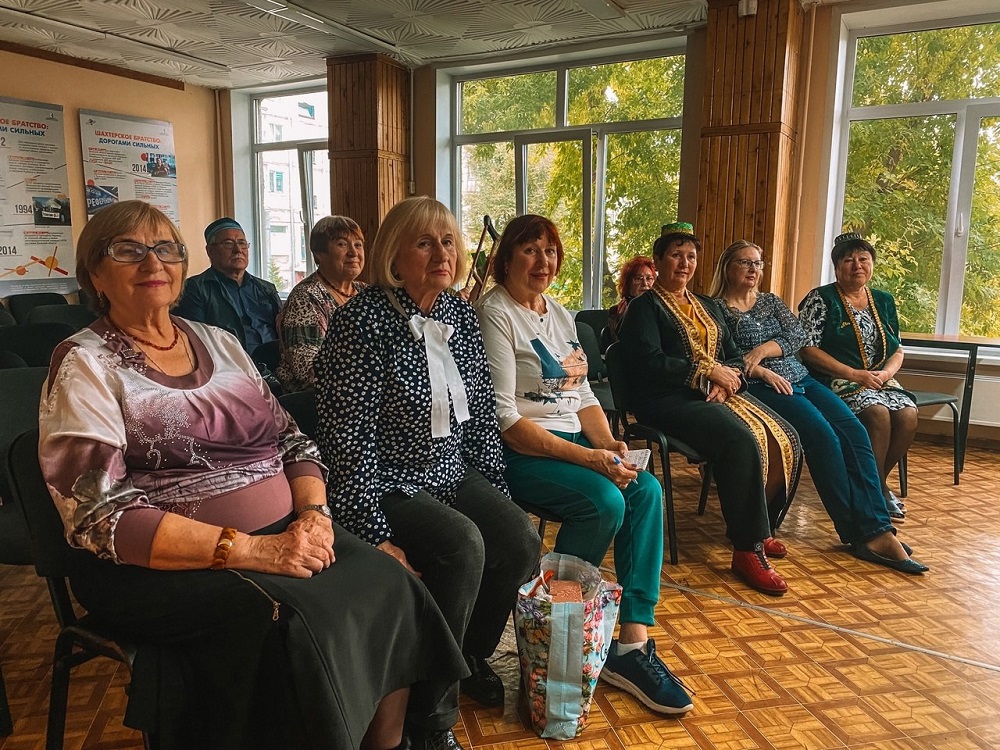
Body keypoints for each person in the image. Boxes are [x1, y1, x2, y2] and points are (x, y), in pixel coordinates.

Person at [39, 200, 466, 750]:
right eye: (128, 250)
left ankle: (388, 744)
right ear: (94, 273)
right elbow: (99, 515)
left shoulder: (219, 342)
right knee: (296, 626)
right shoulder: (84, 363)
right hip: (159, 560)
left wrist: (314, 514)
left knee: (392, 584)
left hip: (284, 528)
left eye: (166, 249)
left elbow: (293, 440)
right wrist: (250, 550)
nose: (152, 262)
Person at [314, 196, 539, 750]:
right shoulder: (361, 323)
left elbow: (479, 416)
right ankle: (430, 720)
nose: (443, 253)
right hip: (386, 480)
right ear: (394, 255)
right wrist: (373, 532)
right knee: (462, 546)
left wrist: (497, 492)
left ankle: (466, 660)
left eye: (448, 241)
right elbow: (346, 442)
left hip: (449, 470)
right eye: (424, 242)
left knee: (518, 538)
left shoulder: (458, 315)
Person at [475, 214, 693, 716]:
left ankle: (632, 643)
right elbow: (506, 420)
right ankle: (562, 627)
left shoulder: (558, 312)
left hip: (577, 441)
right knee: (602, 503)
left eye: (550, 251)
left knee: (646, 490)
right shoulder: (496, 312)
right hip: (526, 450)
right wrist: (592, 459)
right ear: (506, 259)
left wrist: (611, 445)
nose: (543, 261)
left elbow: (584, 394)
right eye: (530, 250)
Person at [710, 240, 927, 574]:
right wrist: (761, 369)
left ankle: (877, 527)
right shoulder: (715, 308)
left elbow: (797, 336)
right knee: (824, 438)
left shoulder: (770, 301)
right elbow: (722, 356)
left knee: (855, 433)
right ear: (727, 267)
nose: (754, 270)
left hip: (801, 378)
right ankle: (863, 533)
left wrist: (764, 350)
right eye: (745, 263)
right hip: (762, 386)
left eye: (758, 263)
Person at [617, 222, 803, 596]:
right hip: (666, 401)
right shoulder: (643, 308)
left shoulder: (707, 305)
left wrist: (725, 379)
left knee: (786, 437)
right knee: (740, 440)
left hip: (714, 393)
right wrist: (705, 373)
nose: (684, 263)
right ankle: (746, 549)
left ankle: (760, 525)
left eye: (691, 256)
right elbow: (649, 362)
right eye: (675, 255)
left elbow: (733, 355)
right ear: (658, 260)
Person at [798, 232, 917, 521]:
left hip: (879, 377)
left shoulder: (884, 300)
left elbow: (897, 349)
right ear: (836, 267)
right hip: (835, 378)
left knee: (908, 414)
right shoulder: (820, 298)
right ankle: (875, 492)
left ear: (872, 264)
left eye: (863, 259)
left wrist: (886, 373)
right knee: (877, 413)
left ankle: (874, 484)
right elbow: (807, 349)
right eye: (848, 260)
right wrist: (854, 374)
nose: (857, 265)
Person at [275, 215, 366, 393]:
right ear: (319, 254)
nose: (353, 253)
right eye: (342, 244)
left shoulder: (366, 292)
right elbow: (307, 369)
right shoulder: (306, 297)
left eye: (358, 244)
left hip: (361, 389)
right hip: (314, 397)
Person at [175, 217, 282, 353]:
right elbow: (195, 342)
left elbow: (284, 331)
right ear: (210, 251)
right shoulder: (194, 289)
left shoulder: (266, 289)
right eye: (228, 244)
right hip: (227, 363)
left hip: (276, 362)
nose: (238, 250)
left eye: (242, 243)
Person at [607, 256, 656, 344]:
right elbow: (619, 345)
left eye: (649, 278)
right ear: (628, 284)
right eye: (638, 279)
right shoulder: (616, 312)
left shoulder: (660, 308)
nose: (645, 284)